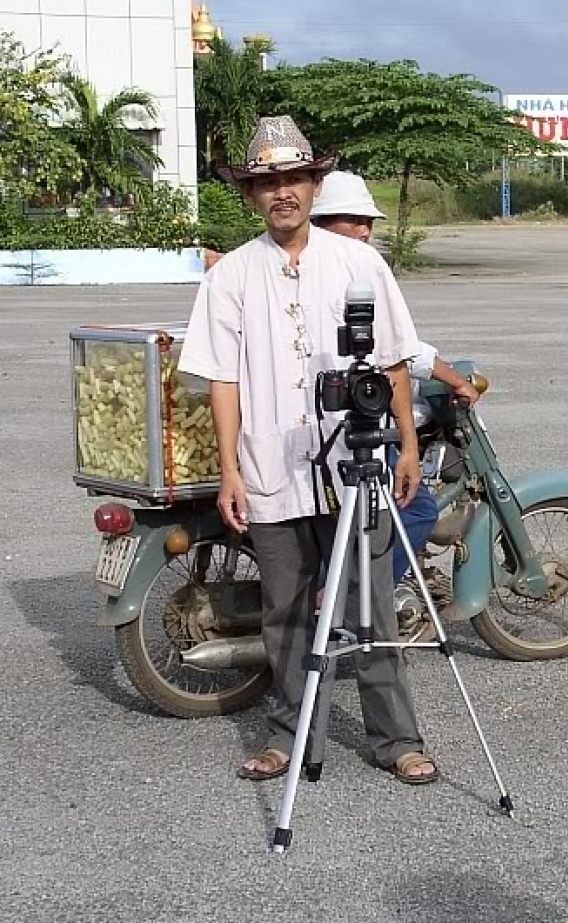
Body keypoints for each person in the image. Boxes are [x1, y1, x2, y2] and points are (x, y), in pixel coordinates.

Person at [178, 117, 438, 784]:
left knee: (372, 605)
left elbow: (393, 363)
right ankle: (292, 740)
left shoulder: (359, 263)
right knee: (286, 613)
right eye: (267, 183)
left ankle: (396, 739)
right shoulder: (231, 277)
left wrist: (407, 445)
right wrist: (231, 469)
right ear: (249, 195)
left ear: (315, 185)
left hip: (357, 466)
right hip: (271, 470)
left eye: (294, 179)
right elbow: (223, 380)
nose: (282, 193)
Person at [311, 171, 479, 597]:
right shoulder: (351, 273)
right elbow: (398, 353)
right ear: (323, 222)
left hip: (313, 423)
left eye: (367, 221)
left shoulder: (303, 266)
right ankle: (364, 600)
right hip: (346, 428)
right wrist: (455, 380)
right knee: (418, 509)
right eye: (352, 219)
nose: (364, 230)